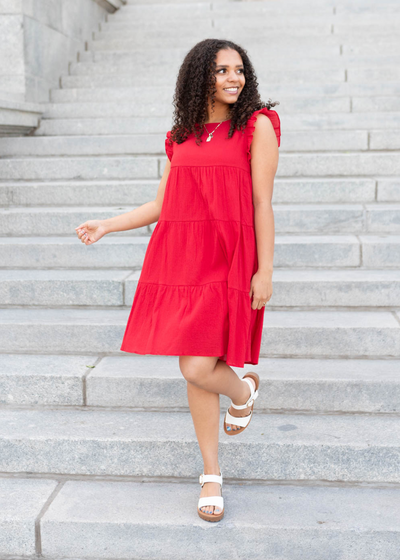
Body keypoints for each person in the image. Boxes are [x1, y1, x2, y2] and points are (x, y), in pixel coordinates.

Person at [75, 38, 280, 523]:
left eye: (239, 69)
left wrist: (265, 269)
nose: (234, 78)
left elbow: (262, 203)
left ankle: (243, 392)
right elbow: (163, 204)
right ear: (198, 77)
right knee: (194, 363)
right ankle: (212, 471)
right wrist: (108, 224)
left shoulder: (257, 126)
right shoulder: (181, 135)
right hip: (184, 260)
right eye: (221, 70)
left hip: (229, 258)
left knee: (195, 367)